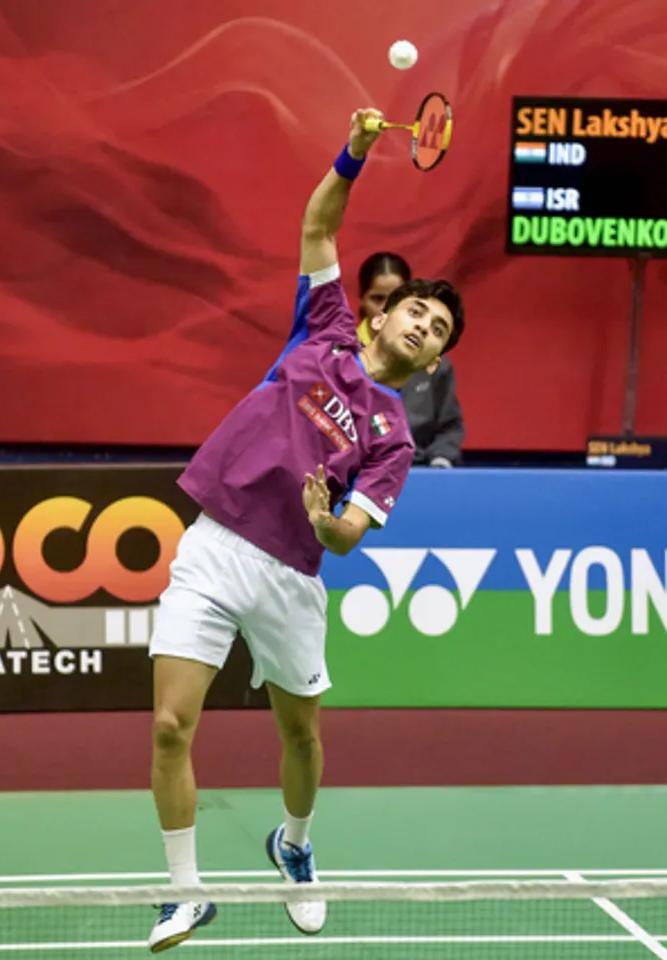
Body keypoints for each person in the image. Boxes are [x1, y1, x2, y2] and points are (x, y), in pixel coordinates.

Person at [146, 107, 465, 953]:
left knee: (301, 732)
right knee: (172, 725)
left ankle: (293, 843)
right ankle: (184, 894)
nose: (422, 328)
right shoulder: (322, 330)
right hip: (215, 545)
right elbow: (318, 222)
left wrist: (329, 523)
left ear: (432, 362)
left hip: (291, 575)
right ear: (386, 314)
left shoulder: (393, 434)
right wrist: (355, 151)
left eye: (435, 333)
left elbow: (352, 532)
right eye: (418, 313)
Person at [357, 253, 465, 467]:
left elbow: (449, 428)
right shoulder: (334, 355)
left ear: (433, 362)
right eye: (378, 299)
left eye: (437, 329)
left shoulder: (437, 368)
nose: (422, 327)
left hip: (416, 470)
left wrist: (439, 463)